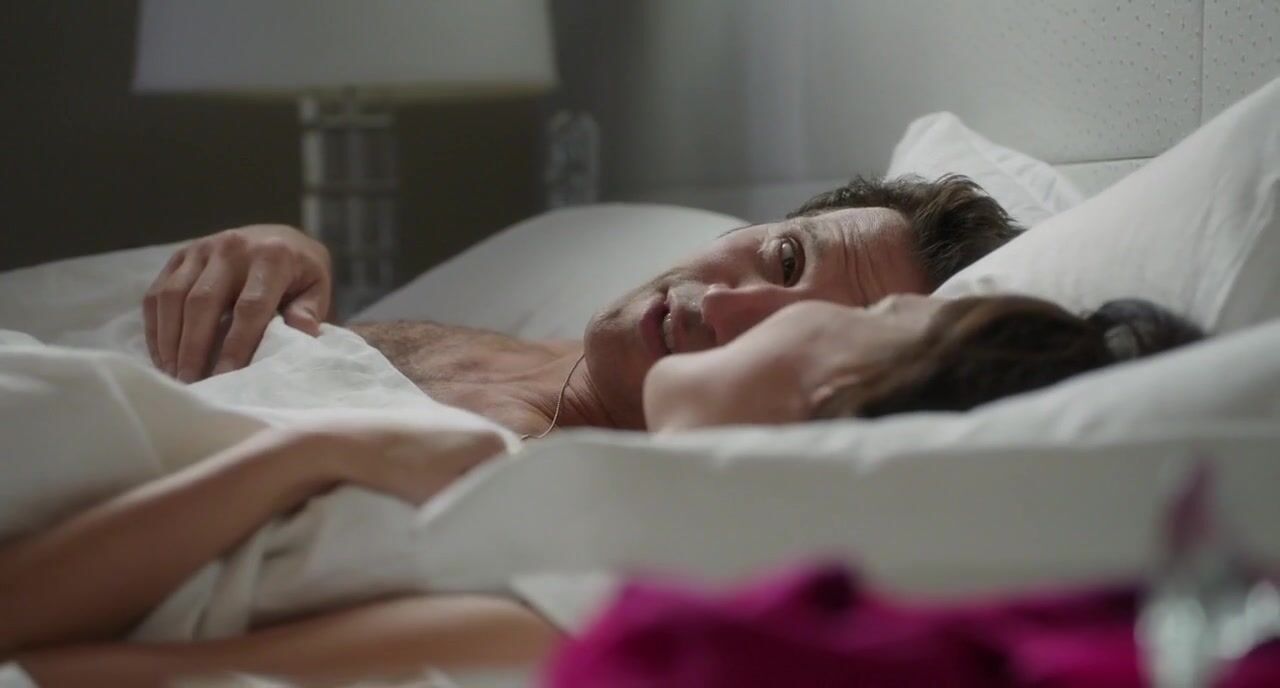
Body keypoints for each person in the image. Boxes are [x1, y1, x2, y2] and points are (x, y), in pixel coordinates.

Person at [4, 292, 1202, 685]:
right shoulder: (559, 503)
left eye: (887, 311)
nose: (762, 305)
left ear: (848, 400)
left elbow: (36, 652)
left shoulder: (565, 597)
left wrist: (315, 454)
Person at [142, 175, 1022, 437]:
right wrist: (288, 253)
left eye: (796, 327)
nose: (729, 305)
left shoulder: (523, 475)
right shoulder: (531, 349)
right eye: (785, 258)